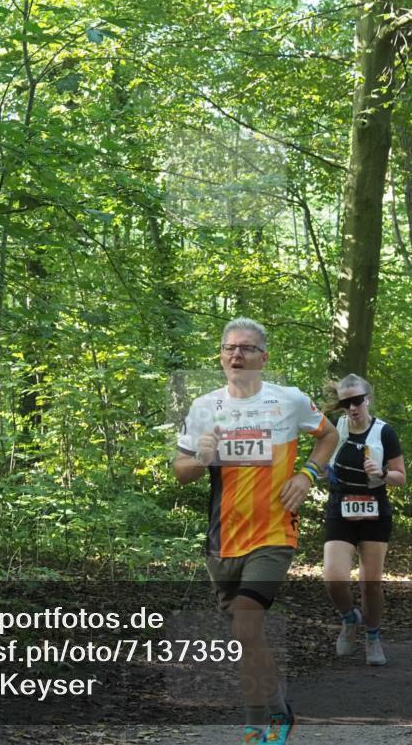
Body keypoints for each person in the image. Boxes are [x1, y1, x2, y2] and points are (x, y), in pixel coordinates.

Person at [175, 318, 338, 745]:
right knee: (244, 635)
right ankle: (279, 707)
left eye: (247, 349)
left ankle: (255, 725)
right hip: (222, 540)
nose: (236, 355)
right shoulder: (203, 407)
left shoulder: (289, 401)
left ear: (263, 358)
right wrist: (202, 458)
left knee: (247, 626)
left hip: (274, 534)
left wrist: (307, 475)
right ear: (221, 356)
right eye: (230, 348)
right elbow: (181, 472)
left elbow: (329, 435)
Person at [322, 375, 406, 666]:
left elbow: (401, 477)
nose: (353, 407)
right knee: (333, 578)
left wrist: (381, 472)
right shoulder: (335, 428)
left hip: (374, 511)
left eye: (357, 401)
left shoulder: (384, 432)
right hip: (340, 506)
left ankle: (372, 636)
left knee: (370, 583)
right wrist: (320, 470)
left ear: (367, 399)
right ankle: (349, 619)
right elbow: (320, 461)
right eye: (346, 402)